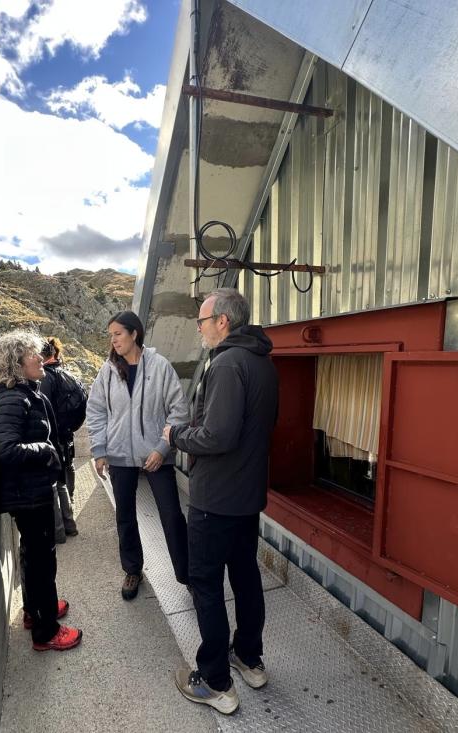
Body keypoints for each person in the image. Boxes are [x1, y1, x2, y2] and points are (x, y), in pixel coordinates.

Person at [164, 288, 278, 715]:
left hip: (217, 500)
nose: (199, 328)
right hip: (247, 497)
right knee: (246, 577)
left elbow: (218, 435)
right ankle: (248, 657)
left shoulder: (227, 363)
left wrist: (175, 436)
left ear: (223, 322)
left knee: (206, 585)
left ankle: (214, 682)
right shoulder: (263, 362)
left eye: (202, 321)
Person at [0, 329, 82, 651]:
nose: (40, 359)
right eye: (33, 355)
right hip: (28, 494)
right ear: (15, 364)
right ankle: (46, 631)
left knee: (35, 556)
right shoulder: (14, 398)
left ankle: (36, 611)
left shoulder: (23, 393)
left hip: (30, 491)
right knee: (42, 560)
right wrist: (46, 450)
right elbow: (6, 449)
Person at [87, 311, 190, 601]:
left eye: (118, 333)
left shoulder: (160, 366)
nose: (113, 340)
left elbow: (178, 410)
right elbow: (95, 411)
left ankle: (187, 574)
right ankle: (133, 570)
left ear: (135, 334)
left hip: (157, 456)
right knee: (125, 516)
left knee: (171, 516)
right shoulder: (108, 370)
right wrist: (99, 450)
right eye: (111, 335)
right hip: (119, 456)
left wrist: (162, 448)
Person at [39, 337, 78, 542]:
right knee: (66, 474)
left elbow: (44, 409)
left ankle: (61, 530)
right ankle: (70, 522)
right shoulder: (67, 373)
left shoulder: (46, 378)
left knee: (56, 482)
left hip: (53, 437)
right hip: (67, 433)